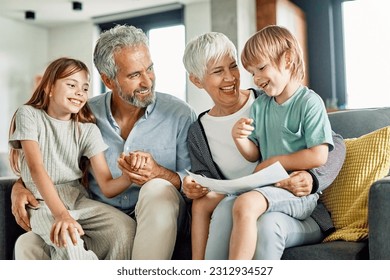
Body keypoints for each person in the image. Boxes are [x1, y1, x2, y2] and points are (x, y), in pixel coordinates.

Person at [11, 24, 197, 260]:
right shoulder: (84, 114)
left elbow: (196, 182)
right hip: (96, 219)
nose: (147, 82)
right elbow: (51, 154)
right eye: (134, 75)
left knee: (157, 187)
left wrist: (159, 173)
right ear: (108, 80)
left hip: (160, 219)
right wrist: (20, 186)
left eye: (149, 69)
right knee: (27, 244)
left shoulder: (180, 114)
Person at [182, 31, 345, 260]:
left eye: (233, 66)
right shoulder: (197, 132)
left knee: (247, 209)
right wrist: (192, 185)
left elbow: (334, 144)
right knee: (215, 207)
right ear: (197, 80)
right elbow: (205, 176)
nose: (230, 78)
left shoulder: (268, 97)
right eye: (218, 71)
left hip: (282, 194)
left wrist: (312, 178)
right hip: (242, 196)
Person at [8, 57, 136, 260]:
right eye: (71, 85)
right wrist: (62, 215)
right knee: (68, 239)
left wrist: (131, 175)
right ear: (49, 87)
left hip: (78, 200)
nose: (80, 92)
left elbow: (108, 186)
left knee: (124, 227)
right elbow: (36, 167)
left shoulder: (88, 130)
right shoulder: (29, 115)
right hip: (42, 204)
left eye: (85, 88)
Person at [229, 25, 334, 259]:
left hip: (300, 196)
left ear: (287, 59)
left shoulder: (309, 102)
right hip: (270, 189)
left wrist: (278, 161)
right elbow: (253, 154)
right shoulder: (260, 106)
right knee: (231, 206)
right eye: (252, 72)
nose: (256, 79)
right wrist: (239, 139)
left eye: (261, 68)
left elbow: (319, 155)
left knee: (245, 205)